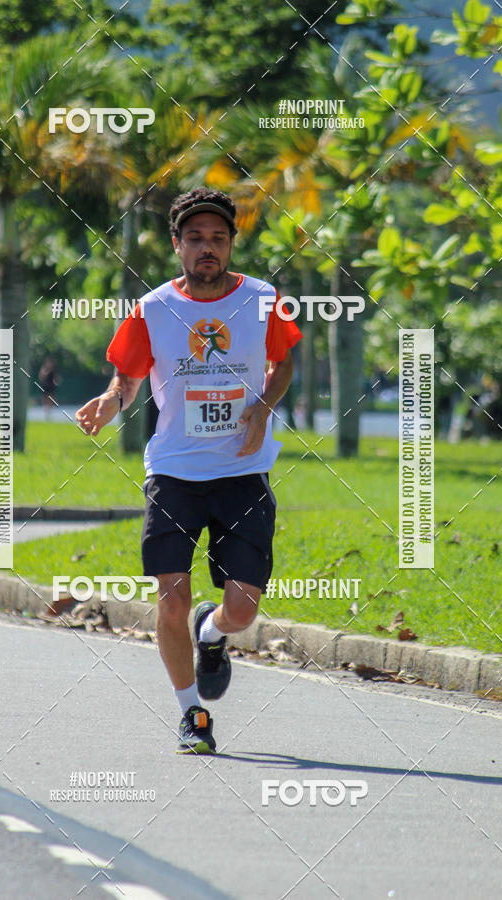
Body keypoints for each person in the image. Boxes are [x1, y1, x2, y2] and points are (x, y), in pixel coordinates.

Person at [76, 187, 301, 754]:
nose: (208, 248)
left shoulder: (262, 299)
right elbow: (126, 376)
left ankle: (212, 631)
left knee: (243, 609)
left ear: (230, 245)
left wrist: (263, 407)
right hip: (174, 472)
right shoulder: (152, 309)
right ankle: (191, 715)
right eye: (196, 238)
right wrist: (109, 402)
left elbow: (283, 362)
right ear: (177, 244)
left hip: (242, 472)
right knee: (170, 598)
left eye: (218, 239)